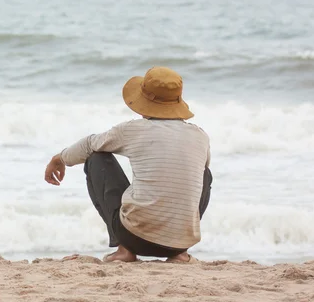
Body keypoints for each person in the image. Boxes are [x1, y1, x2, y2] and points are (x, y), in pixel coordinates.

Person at [44, 67, 212, 263]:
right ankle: (179, 254)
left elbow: (90, 144)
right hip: (180, 241)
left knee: (96, 157)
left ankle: (123, 249)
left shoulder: (133, 129)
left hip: (134, 238)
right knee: (204, 173)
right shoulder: (200, 136)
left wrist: (59, 159)